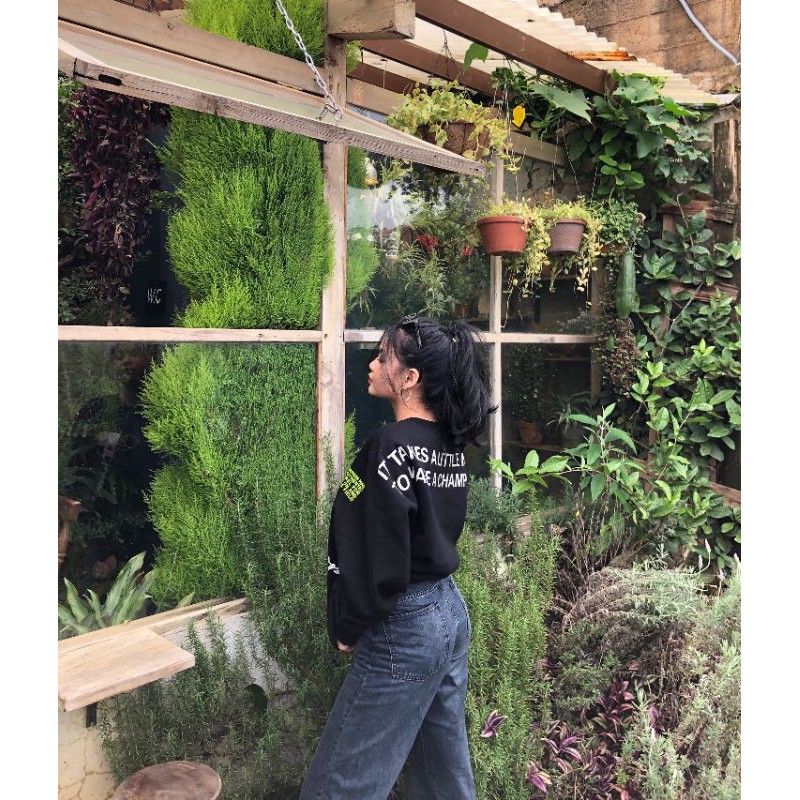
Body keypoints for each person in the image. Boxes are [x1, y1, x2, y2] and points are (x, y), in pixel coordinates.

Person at [300, 315, 496, 800]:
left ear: (409, 378)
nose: (372, 364)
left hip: (404, 626)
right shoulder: (448, 446)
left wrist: (349, 622)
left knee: (337, 786)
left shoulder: (389, 447)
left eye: (383, 357)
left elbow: (381, 555)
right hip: (447, 612)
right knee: (444, 774)